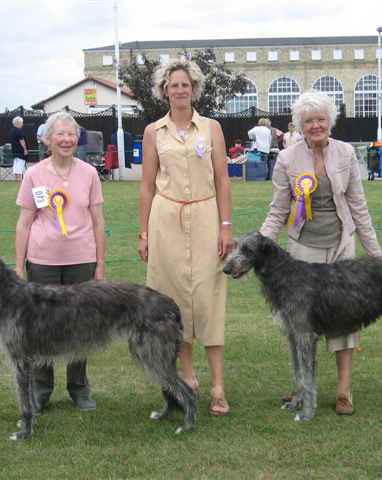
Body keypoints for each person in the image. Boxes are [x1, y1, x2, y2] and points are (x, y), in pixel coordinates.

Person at [259, 90, 382, 416]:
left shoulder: (345, 153)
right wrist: (257, 245)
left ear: (330, 121)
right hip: (302, 251)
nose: (316, 125)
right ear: (300, 125)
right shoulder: (287, 159)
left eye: (321, 119)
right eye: (309, 120)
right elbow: (277, 210)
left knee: (345, 321)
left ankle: (343, 390)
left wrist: (376, 256)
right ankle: (303, 387)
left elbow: (359, 207)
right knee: (301, 327)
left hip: (341, 245)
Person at [138, 59, 233, 415]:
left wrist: (226, 225)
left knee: (209, 300)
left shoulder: (211, 128)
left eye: (185, 84)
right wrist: (144, 233)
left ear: (194, 88)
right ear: (164, 90)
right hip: (167, 220)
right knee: (173, 300)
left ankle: (219, 385)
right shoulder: (153, 132)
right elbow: (147, 185)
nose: (180, 90)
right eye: (173, 85)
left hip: (207, 216)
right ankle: (189, 378)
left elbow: (223, 179)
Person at [15, 111, 106, 414]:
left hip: (82, 260)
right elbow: (25, 223)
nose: (66, 139)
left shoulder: (89, 173)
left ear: (77, 139)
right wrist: (18, 266)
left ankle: (79, 389)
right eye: (60, 134)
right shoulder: (34, 175)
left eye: (71, 134)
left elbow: (98, 222)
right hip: (42, 263)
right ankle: (42, 391)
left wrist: (100, 263)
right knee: (40, 328)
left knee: (80, 327)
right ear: (47, 139)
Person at [9, 116, 29, 182]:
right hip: (20, 150)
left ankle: (16, 178)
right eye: (22, 123)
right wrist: (25, 149)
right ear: (18, 123)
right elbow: (22, 141)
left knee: (16, 163)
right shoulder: (19, 131)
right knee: (20, 163)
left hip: (14, 149)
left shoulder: (12, 131)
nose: (22, 124)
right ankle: (19, 179)